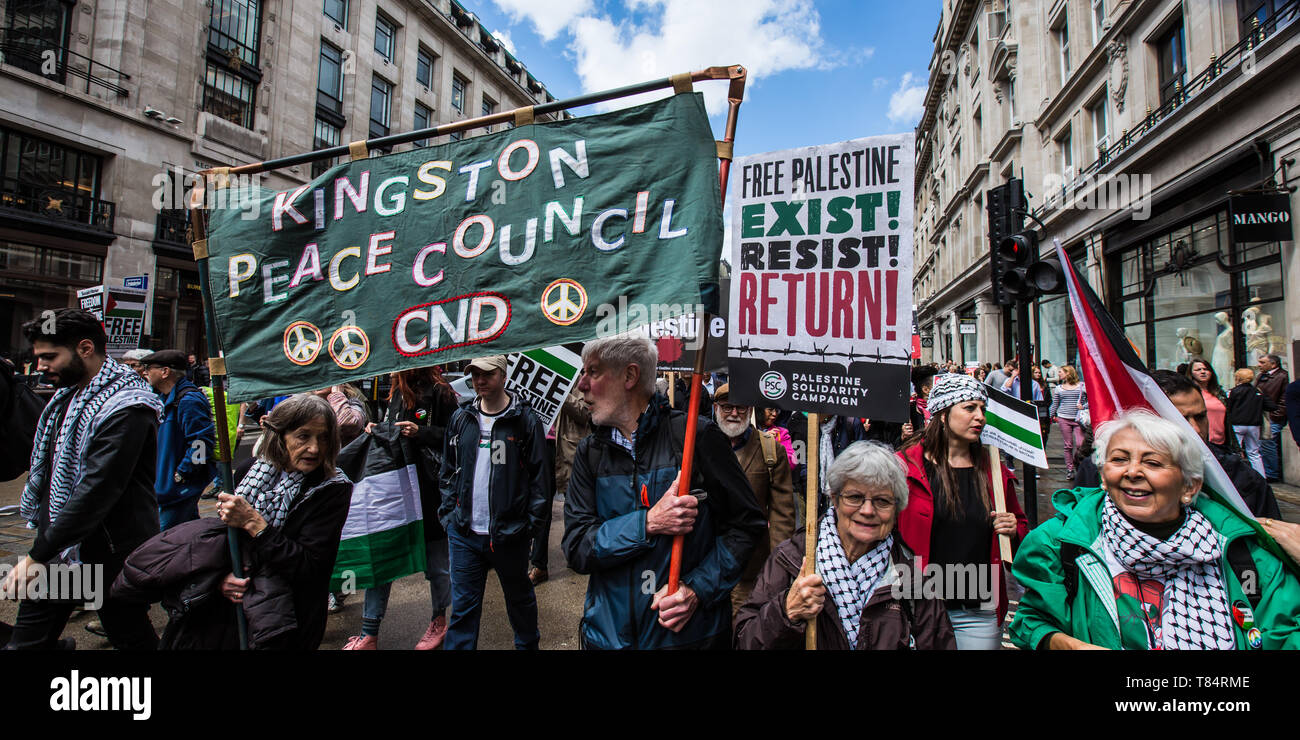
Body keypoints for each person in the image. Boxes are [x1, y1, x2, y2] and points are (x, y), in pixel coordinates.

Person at [1009, 410, 1300, 649]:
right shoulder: (1058, 544)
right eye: (1119, 459)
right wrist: (1067, 645)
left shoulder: (1245, 552)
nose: (1132, 472)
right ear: (1103, 475)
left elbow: (1286, 632)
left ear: (1189, 487)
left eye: (1152, 462)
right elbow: (1031, 623)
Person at [563, 334, 766, 649]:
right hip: (608, 637)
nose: (582, 385)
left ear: (630, 376)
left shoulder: (695, 437)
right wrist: (646, 524)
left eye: (593, 372)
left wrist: (697, 590)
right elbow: (577, 546)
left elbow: (746, 525)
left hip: (687, 639)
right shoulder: (590, 452)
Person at [3, 309, 162, 650]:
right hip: (61, 549)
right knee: (26, 643)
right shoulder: (66, 398)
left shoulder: (129, 406)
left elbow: (97, 491)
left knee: (129, 633)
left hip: (107, 552)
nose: (41, 366)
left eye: (49, 356)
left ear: (85, 348)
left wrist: (36, 556)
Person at [160, 393, 351, 649]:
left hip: (287, 619)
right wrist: (221, 579)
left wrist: (255, 524)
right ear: (280, 436)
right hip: (229, 615)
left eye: (324, 438)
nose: (315, 448)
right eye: (303, 436)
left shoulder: (331, 489)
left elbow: (309, 567)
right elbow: (221, 547)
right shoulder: (249, 471)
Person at [734, 441, 955, 650]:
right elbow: (745, 641)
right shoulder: (792, 560)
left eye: (882, 501)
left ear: (897, 508)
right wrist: (786, 611)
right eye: (855, 497)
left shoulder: (911, 580)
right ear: (835, 498)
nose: (868, 511)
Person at [896, 373, 1028, 649]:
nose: (980, 416)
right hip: (916, 603)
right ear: (942, 414)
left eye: (982, 409)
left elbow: (1023, 536)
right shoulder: (904, 467)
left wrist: (1014, 529)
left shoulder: (994, 471)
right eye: (969, 408)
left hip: (977, 607)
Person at [439, 356, 549, 650]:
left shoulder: (524, 420)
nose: (479, 380)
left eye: (486, 374)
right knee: (462, 610)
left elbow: (541, 479)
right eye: (474, 374)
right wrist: (450, 515)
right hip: (464, 535)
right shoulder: (462, 418)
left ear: (503, 375)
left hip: (509, 535)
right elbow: (448, 470)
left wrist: (530, 526)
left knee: (520, 601)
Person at [344, 368, 456, 649]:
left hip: (429, 493)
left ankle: (439, 622)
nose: (389, 367)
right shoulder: (394, 390)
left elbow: (457, 437)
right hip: (395, 493)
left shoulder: (440, 390)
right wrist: (376, 430)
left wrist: (422, 432)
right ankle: (369, 632)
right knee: (382, 561)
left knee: (438, 566)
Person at [712, 384, 797, 611]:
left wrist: (778, 569)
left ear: (750, 410)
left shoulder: (771, 451)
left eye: (740, 407)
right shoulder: (700, 444)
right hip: (707, 567)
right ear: (715, 408)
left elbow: (782, 517)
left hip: (751, 570)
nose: (733, 413)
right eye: (727, 407)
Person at [1153, 370, 1280, 519]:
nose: (1195, 429)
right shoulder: (1127, 482)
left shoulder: (1241, 477)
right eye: (1180, 421)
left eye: (1200, 417)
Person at [140, 350, 216, 530]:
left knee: (162, 539)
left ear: (165, 372)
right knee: (187, 531)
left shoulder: (188, 400)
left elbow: (201, 443)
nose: (145, 372)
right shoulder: (165, 397)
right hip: (169, 486)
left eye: (149, 368)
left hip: (177, 489)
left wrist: (183, 474)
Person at [539, 384, 592, 586]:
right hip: (542, 447)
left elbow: (585, 413)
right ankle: (539, 563)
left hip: (568, 451)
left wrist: (560, 393)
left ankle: (575, 553)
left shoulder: (578, 378)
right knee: (541, 506)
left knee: (573, 507)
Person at [1226, 367, 1271, 477]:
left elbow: (1228, 407)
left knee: (1235, 451)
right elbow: (1271, 406)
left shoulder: (1234, 392)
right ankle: (1261, 477)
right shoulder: (1257, 392)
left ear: (1238, 378)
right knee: (1254, 453)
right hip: (1254, 425)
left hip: (1237, 424)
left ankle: (1236, 476)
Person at [1049, 365, 1087, 479]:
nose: (1059, 374)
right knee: (1068, 445)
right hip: (1063, 418)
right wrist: (1049, 416)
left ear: (1068, 373)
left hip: (1078, 419)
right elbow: (1055, 404)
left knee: (1081, 444)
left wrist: (1083, 406)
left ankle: (1076, 462)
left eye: (1060, 372)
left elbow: (1091, 401)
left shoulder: (1082, 386)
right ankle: (1070, 469)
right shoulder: (1059, 388)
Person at [1256, 354, 1289, 481]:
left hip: (1272, 417)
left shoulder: (1282, 376)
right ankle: (1268, 471)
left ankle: (1272, 473)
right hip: (1263, 416)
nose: (1259, 365)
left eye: (1262, 362)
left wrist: (1277, 414)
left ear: (1273, 364)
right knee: (1264, 444)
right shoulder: (1262, 376)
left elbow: (1284, 398)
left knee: (1268, 443)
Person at [1186, 357, 1228, 446]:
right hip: (1201, 442)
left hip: (1222, 443)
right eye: (1198, 370)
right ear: (1191, 373)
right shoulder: (1189, 393)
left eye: (1205, 369)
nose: (1202, 372)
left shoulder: (1220, 394)